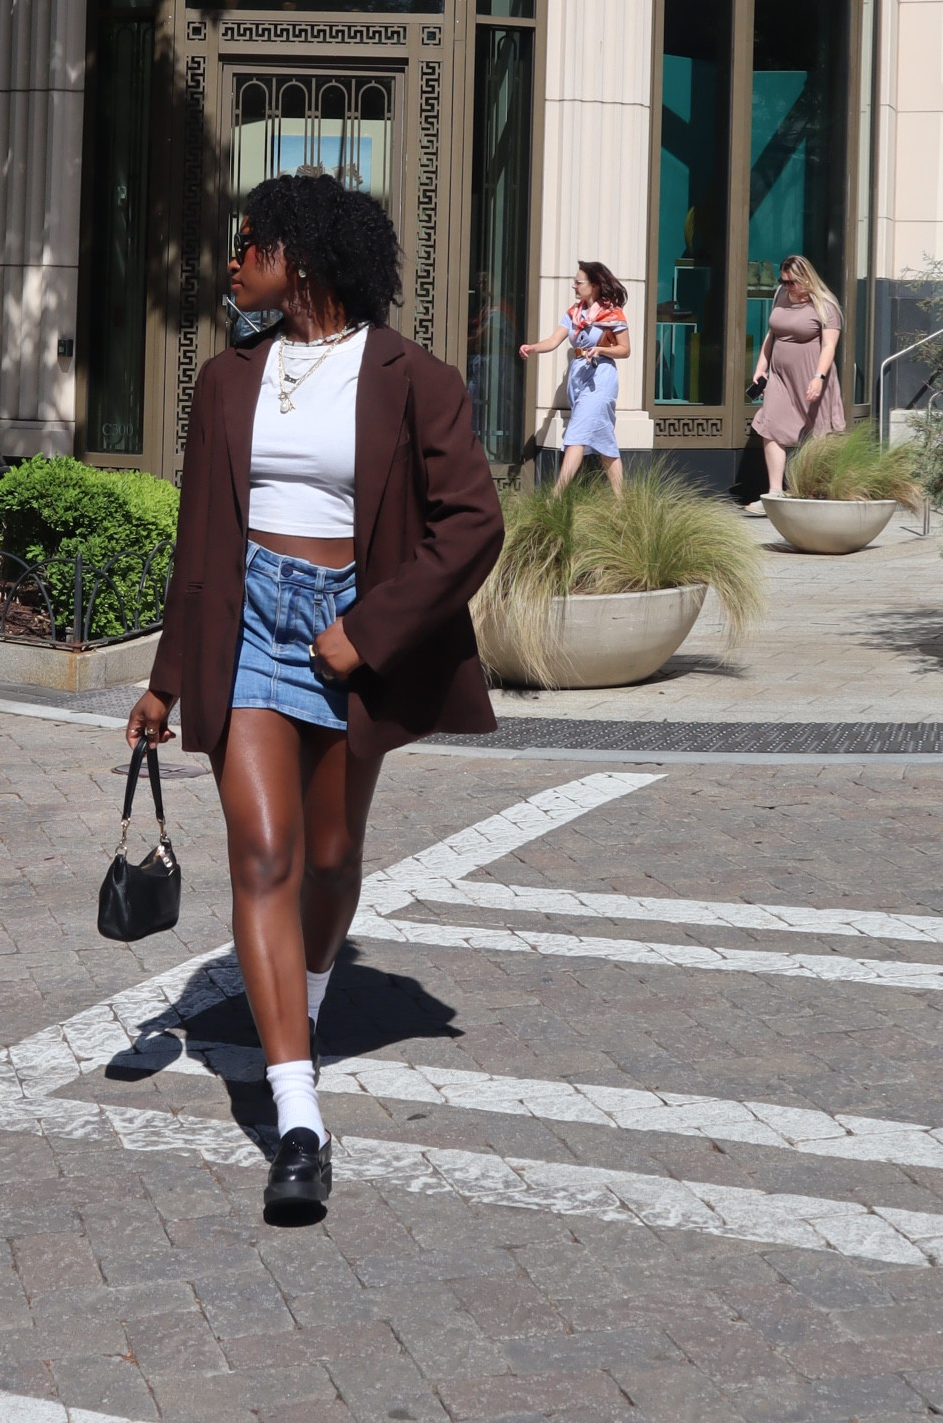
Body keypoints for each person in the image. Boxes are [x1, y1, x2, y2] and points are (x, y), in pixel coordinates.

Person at [126, 173, 504, 1221]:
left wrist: (365, 630)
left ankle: (310, 995)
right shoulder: (225, 379)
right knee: (264, 855)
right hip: (246, 621)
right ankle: (297, 1118)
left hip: (345, 627)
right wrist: (165, 680)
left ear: (300, 256)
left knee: (331, 858)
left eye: (248, 243)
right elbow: (198, 540)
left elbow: (471, 525)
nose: (232, 261)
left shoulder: (411, 377)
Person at [518, 262, 631, 493]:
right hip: (579, 376)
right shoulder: (574, 313)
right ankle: (622, 501)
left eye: (579, 282)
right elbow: (552, 341)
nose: (574, 286)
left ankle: (556, 496)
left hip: (601, 376)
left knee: (576, 434)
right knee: (603, 438)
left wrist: (602, 350)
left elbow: (625, 350)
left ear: (595, 285)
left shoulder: (613, 313)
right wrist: (532, 348)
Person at [749, 253, 845, 496]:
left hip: (810, 375)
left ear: (807, 279)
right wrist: (761, 366)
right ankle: (774, 491)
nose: (787, 286)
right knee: (769, 424)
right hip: (780, 376)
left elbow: (829, 346)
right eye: (783, 281)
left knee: (818, 432)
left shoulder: (826, 306)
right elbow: (772, 333)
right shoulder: (780, 295)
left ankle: (818, 488)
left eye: (792, 282)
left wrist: (818, 378)